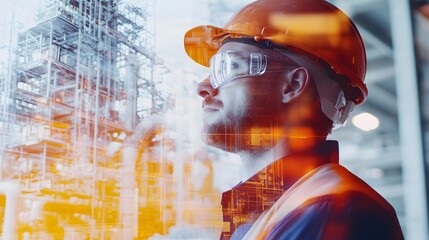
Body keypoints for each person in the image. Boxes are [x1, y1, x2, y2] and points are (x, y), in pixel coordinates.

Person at [181, 0, 405, 239]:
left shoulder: (332, 206)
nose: (203, 87)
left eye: (228, 67)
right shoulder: (270, 210)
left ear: (293, 85)